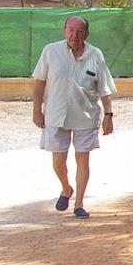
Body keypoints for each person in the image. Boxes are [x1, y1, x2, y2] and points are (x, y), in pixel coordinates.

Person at [31, 14, 117, 219]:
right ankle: (66, 188)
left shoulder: (95, 55)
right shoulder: (50, 51)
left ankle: (79, 203)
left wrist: (109, 114)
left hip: (85, 116)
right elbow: (39, 83)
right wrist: (36, 110)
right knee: (58, 161)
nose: (74, 35)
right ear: (64, 31)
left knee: (83, 160)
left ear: (86, 34)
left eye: (79, 32)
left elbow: (104, 87)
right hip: (55, 114)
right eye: (70, 30)